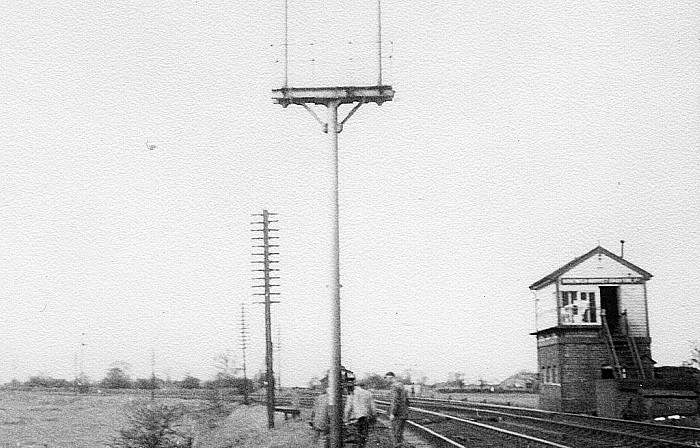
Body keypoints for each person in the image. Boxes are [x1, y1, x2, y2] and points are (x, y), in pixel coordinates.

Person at [344, 379, 377, 448]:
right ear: (363, 386)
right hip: (365, 418)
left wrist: (346, 419)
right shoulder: (368, 393)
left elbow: (348, 408)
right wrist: (374, 418)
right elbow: (373, 409)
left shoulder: (352, 393)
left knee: (354, 438)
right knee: (363, 437)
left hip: (355, 418)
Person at [385, 371, 409, 447]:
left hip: (397, 414)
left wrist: (392, 413)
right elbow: (407, 400)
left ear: (391, 378)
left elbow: (394, 401)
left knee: (395, 434)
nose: (387, 381)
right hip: (404, 413)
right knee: (400, 434)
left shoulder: (394, 386)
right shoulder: (401, 385)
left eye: (387, 379)